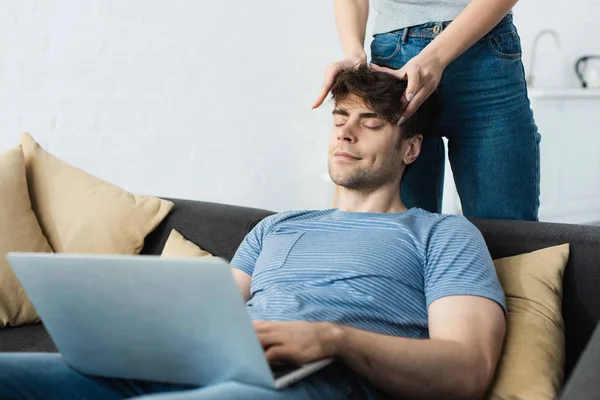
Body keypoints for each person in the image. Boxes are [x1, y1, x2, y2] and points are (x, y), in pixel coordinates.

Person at [0, 66, 506, 400]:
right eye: (339, 118)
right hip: (210, 367)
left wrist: (335, 340)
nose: (345, 134)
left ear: (411, 149)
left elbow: (468, 368)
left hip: (318, 382)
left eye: (370, 123)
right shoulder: (275, 228)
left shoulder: (443, 235)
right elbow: (209, 311)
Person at [313, 0, 540, 221]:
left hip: (484, 51)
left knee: (506, 232)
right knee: (397, 234)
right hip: (395, 62)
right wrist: (354, 53)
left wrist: (436, 57)